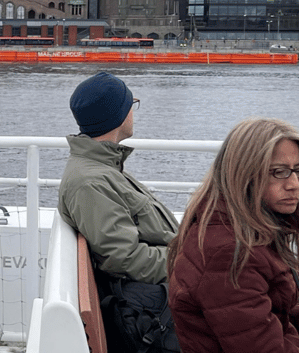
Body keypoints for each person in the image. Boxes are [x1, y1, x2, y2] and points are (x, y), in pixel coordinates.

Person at [168, 118, 299, 352]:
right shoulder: (230, 254)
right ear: (245, 175)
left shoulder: (248, 227)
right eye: (279, 172)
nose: (294, 184)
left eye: (298, 170)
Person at [58, 71, 179, 284]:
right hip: (168, 294)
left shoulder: (102, 169)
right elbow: (125, 259)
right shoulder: (91, 183)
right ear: (118, 116)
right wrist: (194, 264)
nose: (133, 111)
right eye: (131, 103)